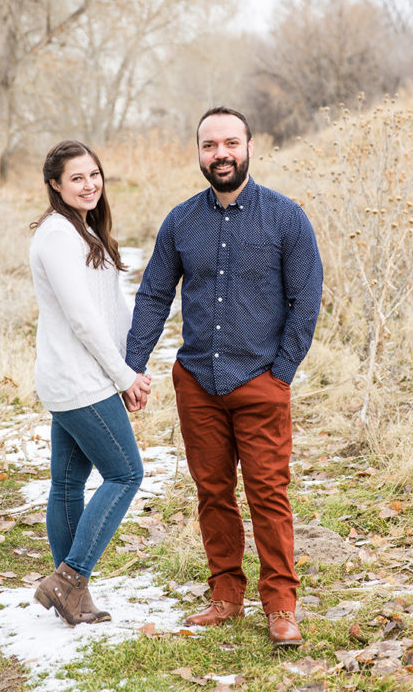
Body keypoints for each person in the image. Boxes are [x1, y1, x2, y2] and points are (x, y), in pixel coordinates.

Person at [125, 107, 322, 647]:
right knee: (212, 493)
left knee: (268, 495)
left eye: (230, 143)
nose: (221, 153)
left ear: (250, 147)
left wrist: (280, 375)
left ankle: (281, 605)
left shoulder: (286, 218)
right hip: (197, 384)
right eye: (210, 145)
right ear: (199, 152)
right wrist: (132, 365)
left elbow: (305, 301)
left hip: (261, 381)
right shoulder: (181, 221)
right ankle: (226, 596)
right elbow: (154, 295)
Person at [29, 140, 151, 626]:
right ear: (55, 185)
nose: (90, 184)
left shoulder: (82, 231)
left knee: (67, 484)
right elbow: (83, 319)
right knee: (126, 473)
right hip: (81, 381)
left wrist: (130, 366)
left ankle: (71, 598)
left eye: (94, 174)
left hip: (78, 376)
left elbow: (108, 311)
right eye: (77, 178)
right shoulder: (58, 236)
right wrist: (123, 376)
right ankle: (69, 578)